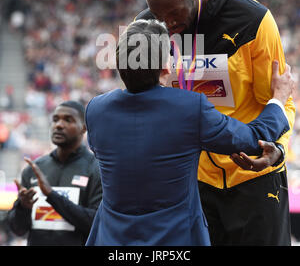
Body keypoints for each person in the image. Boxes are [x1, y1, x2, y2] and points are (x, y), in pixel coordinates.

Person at [85, 19, 293, 246]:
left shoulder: (96, 110)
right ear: (166, 66)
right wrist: (278, 100)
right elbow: (252, 140)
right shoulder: (189, 108)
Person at [136, 0, 296, 246]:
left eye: (173, 13)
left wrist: (279, 151)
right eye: (157, 14)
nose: (166, 24)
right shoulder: (147, 28)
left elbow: (281, 98)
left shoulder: (252, 21)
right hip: (194, 182)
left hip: (253, 176)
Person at [7, 101, 102, 246]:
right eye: (55, 119)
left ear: (83, 127)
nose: (58, 125)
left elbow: (96, 224)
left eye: (68, 120)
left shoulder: (96, 169)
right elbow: (17, 230)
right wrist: (23, 207)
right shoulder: (34, 169)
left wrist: (51, 195)